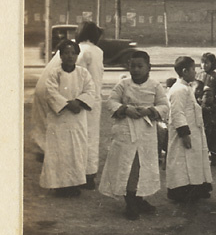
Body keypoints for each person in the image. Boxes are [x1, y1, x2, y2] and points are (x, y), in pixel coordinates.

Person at [99, 50, 169, 220]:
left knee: (143, 165)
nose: (136, 70)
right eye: (133, 66)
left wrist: (150, 110)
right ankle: (129, 201)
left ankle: (139, 198)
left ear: (148, 68)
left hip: (146, 131)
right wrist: (125, 109)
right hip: (126, 129)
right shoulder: (124, 84)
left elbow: (164, 106)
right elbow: (111, 101)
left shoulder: (155, 86)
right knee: (127, 164)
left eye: (140, 66)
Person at [39, 40, 96, 197]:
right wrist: (66, 104)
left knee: (75, 151)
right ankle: (58, 185)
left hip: (77, 119)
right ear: (60, 55)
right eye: (66, 53)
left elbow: (90, 90)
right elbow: (50, 92)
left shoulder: (83, 73)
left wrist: (78, 102)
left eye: (73, 53)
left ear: (77, 55)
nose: (70, 56)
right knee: (59, 151)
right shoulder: (54, 73)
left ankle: (73, 184)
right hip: (59, 119)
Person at [166, 57, 212, 203]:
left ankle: (197, 188)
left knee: (193, 162)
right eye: (193, 69)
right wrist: (184, 134)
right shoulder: (178, 90)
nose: (195, 71)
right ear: (184, 71)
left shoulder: (187, 88)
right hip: (184, 133)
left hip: (194, 131)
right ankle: (180, 191)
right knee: (181, 162)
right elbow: (176, 112)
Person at [75, 21, 104, 190]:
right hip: (96, 99)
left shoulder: (80, 50)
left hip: (82, 98)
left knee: (79, 136)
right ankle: (90, 174)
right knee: (93, 137)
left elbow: (77, 77)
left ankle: (79, 174)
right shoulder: (98, 51)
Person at [198, 86, 216, 167]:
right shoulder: (200, 109)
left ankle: (214, 159)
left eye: (211, 96)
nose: (209, 98)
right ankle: (204, 160)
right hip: (205, 130)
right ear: (201, 98)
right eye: (207, 96)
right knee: (204, 144)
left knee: (215, 144)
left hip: (215, 130)